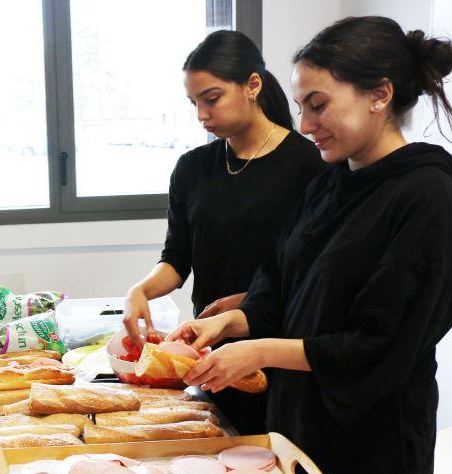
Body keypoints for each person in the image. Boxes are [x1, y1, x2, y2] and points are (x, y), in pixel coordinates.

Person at [168, 16, 452, 474]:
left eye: (319, 105)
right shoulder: (333, 182)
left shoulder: (427, 195)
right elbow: (280, 277)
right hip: (301, 431)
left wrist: (264, 352)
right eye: (300, 105)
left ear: (380, 95)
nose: (305, 124)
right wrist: (236, 322)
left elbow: (379, 345)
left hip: (370, 449)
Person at [123, 30, 327, 435]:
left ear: (252, 85)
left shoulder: (311, 166)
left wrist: (252, 300)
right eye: (194, 103)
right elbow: (176, 259)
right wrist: (140, 291)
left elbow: (315, 273)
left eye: (211, 99)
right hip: (212, 349)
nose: (202, 115)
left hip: (283, 353)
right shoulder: (192, 168)